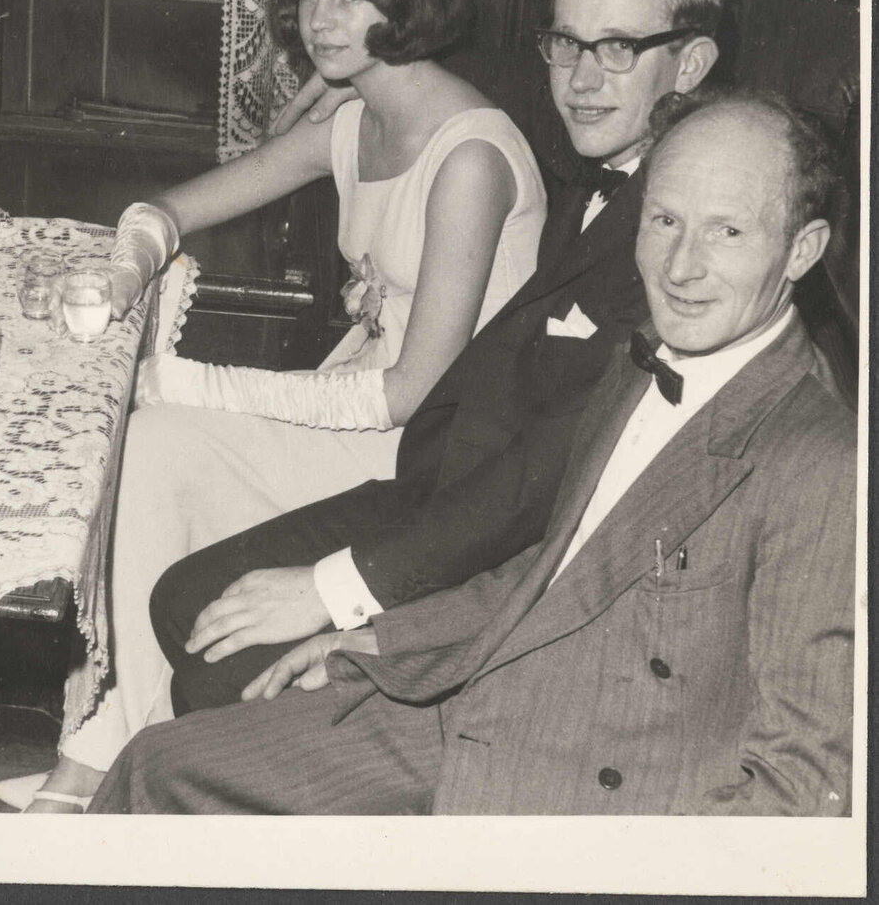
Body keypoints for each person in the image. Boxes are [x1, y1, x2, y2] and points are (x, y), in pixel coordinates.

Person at [92, 90, 853, 815]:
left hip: (577, 788)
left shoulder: (823, 465)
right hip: (481, 694)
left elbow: (801, 784)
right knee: (157, 767)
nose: (681, 267)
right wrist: (376, 642)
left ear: (802, 250)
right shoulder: (642, 357)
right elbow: (552, 573)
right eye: (664, 220)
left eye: (728, 232)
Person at [6, 0, 549, 812]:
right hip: (352, 406)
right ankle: (105, 754)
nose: (320, 20)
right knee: (152, 445)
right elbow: (171, 208)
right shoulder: (357, 121)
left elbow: (411, 394)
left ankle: (104, 762)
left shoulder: (468, 159)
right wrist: (129, 270)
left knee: (161, 439)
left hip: (422, 450)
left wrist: (195, 382)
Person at [149, 0, 724, 716]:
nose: (582, 80)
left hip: (518, 564)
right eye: (567, 44)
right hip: (444, 474)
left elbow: (540, 488)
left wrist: (337, 591)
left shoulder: (682, 242)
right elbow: (483, 75)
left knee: (216, 666)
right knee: (181, 600)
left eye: (619, 48)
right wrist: (358, 68)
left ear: (690, 64)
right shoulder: (607, 143)